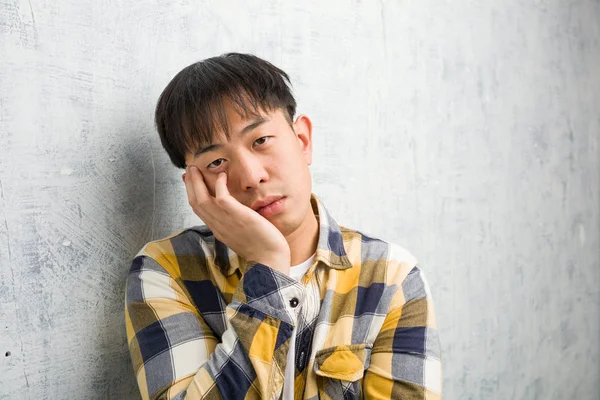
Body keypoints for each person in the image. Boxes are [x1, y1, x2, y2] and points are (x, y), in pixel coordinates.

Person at [125, 52, 442, 400]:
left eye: (260, 141)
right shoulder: (166, 269)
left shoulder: (390, 276)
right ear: (195, 186)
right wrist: (268, 266)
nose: (251, 176)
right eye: (217, 162)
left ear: (302, 140)